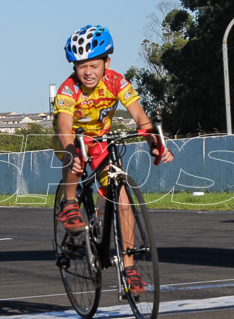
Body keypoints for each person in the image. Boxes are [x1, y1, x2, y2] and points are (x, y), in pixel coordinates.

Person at [53, 24, 174, 292]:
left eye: (94, 65)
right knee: (74, 155)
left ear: (107, 61)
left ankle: (128, 268)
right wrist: (71, 148)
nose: (87, 72)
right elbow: (64, 128)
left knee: (122, 201)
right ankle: (70, 202)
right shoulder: (68, 89)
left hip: (102, 140)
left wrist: (154, 142)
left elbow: (141, 118)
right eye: (80, 65)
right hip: (73, 138)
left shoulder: (118, 82)